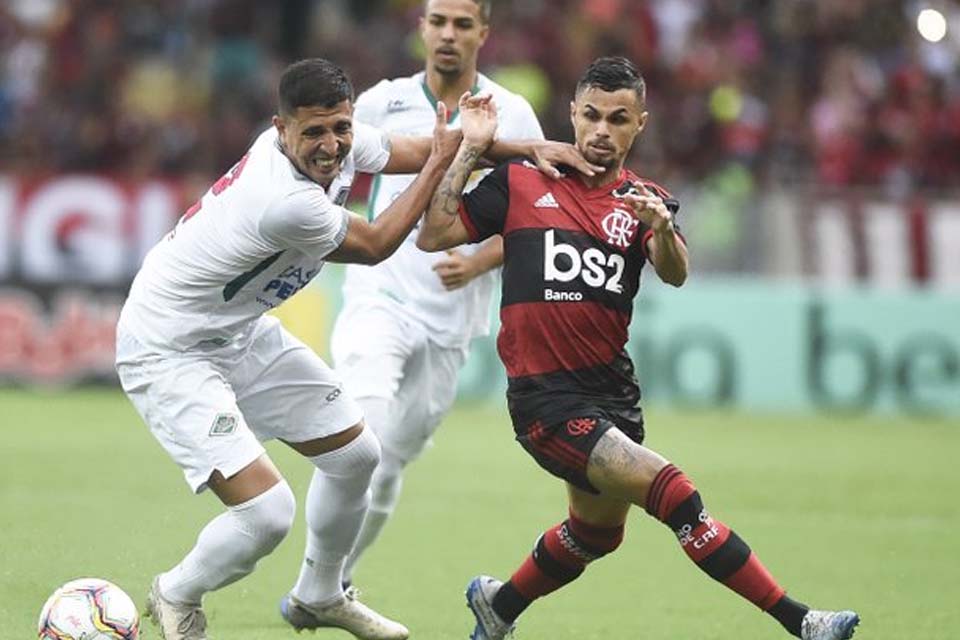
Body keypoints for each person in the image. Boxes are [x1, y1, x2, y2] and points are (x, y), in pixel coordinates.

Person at [114, 58, 585, 640]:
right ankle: (176, 592)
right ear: (281, 128)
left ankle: (320, 594)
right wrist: (447, 157)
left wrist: (526, 150)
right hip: (169, 346)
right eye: (313, 132)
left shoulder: (338, 138)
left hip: (236, 331)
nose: (331, 145)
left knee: (359, 456)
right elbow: (378, 242)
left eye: (340, 127)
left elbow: (417, 149)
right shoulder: (282, 200)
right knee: (267, 513)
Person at [416, 56, 861, 640]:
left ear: (640, 123)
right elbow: (435, 233)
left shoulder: (647, 199)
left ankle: (499, 606)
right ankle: (802, 622)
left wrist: (661, 228)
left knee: (596, 534)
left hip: (613, 394)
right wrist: (472, 150)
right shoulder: (523, 181)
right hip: (546, 402)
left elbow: (675, 273)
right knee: (677, 495)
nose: (602, 130)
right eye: (592, 115)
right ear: (573, 114)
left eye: (618, 119)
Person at [331, 0, 560, 588]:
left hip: (451, 317)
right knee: (362, 437)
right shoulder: (383, 102)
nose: (448, 35)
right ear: (422, 29)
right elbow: (328, 165)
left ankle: (334, 582)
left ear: (483, 32)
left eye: (462, 24)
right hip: (379, 293)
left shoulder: (511, 112)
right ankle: (319, 581)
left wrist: (479, 259)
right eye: (438, 22)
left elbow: (541, 213)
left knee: (390, 462)